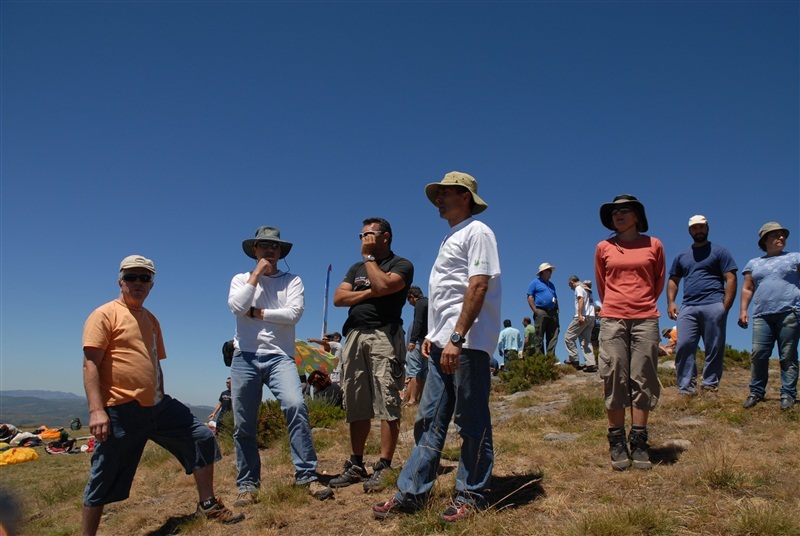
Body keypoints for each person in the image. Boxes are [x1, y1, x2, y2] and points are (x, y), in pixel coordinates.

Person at [81, 255, 243, 535]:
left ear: (152, 284)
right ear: (120, 281)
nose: (138, 283)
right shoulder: (104, 314)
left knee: (201, 437)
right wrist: (97, 410)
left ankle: (207, 504)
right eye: (132, 277)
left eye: (144, 278)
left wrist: (160, 395)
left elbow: (154, 362)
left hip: (158, 406)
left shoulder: (151, 319)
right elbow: (90, 363)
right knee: (104, 475)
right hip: (121, 408)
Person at [373, 171, 501, 522]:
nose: (439, 200)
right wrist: (433, 335)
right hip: (445, 343)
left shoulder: (478, 232)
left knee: (472, 420)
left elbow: (477, 286)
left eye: (446, 194)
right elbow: (447, 297)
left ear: (465, 198)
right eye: (438, 194)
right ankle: (412, 492)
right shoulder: (450, 238)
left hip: (469, 344)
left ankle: (471, 493)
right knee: (429, 419)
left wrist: (458, 338)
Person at [228, 226, 333, 505]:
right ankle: (248, 484)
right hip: (245, 356)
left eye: (275, 247)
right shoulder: (241, 279)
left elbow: (293, 315)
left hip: (280, 356)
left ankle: (307, 475)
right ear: (255, 250)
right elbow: (237, 307)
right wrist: (256, 276)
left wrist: (258, 313)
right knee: (244, 423)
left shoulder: (292, 280)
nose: (270, 250)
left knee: (295, 406)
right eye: (264, 246)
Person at [331, 217, 413, 492]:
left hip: (384, 335)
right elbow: (339, 299)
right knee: (356, 400)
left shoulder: (401, 265)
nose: (363, 238)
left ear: (385, 236)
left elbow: (384, 286)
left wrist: (369, 259)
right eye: (361, 234)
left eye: (369, 233)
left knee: (387, 399)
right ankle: (356, 464)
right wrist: (368, 293)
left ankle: (384, 466)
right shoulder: (356, 268)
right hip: (354, 335)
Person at [595, 194, 665, 471]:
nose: (618, 215)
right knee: (613, 375)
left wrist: (642, 304)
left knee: (643, 376)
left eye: (625, 210)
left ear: (637, 216)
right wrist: (617, 306)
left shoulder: (654, 245)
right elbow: (602, 285)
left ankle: (639, 441)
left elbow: (657, 281)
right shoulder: (603, 247)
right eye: (614, 212)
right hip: (612, 318)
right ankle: (616, 441)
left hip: (646, 318)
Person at [667, 215, 738, 394]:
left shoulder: (720, 252)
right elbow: (673, 280)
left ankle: (710, 385)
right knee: (683, 346)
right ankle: (686, 389)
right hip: (688, 306)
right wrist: (671, 302)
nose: (698, 231)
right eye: (694, 228)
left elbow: (730, 278)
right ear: (689, 231)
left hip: (713, 303)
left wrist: (725, 306)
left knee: (714, 347)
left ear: (707, 228)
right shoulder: (682, 255)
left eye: (701, 227)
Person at [739, 222, 800, 410]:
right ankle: (756, 392)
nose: (781, 238)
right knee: (759, 354)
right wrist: (743, 310)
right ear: (764, 240)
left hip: (790, 312)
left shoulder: (796, 258)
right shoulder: (754, 263)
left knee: (788, 354)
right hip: (762, 315)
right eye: (775, 235)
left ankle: (788, 394)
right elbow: (748, 288)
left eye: (783, 235)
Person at [564, 276, 597, 372]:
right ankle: (590, 363)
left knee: (568, 337)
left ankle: (574, 360)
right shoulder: (588, 289)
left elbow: (581, 299)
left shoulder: (579, 288)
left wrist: (579, 315)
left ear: (571, 282)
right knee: (586, 341)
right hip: (591, 316)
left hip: (583, 316)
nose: (570, 287)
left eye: (570, 285)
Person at [527, 262, 560, 356]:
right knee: (539, 335)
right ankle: (540, 358)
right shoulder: (534, 283)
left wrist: (557, 310)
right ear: (542, 272)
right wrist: (535, 311)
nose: (550, 272)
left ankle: (550, 357)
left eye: (550, 270)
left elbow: (555, 298)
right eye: (548, 270)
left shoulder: (551, 285)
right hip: (541, 311)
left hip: (552, 312)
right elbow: (529, 297)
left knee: (553, 335)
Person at [405, 286, 429, 405]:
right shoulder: (429, 302)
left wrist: (412, 340)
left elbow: (418, 322)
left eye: (409, 300)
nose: (410, 304)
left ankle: (412, 399)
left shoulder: (420, 304)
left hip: (419, 340)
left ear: (412, 297)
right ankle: (422, 399)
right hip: (428, 340)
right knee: (424, 370)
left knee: (414, 370)